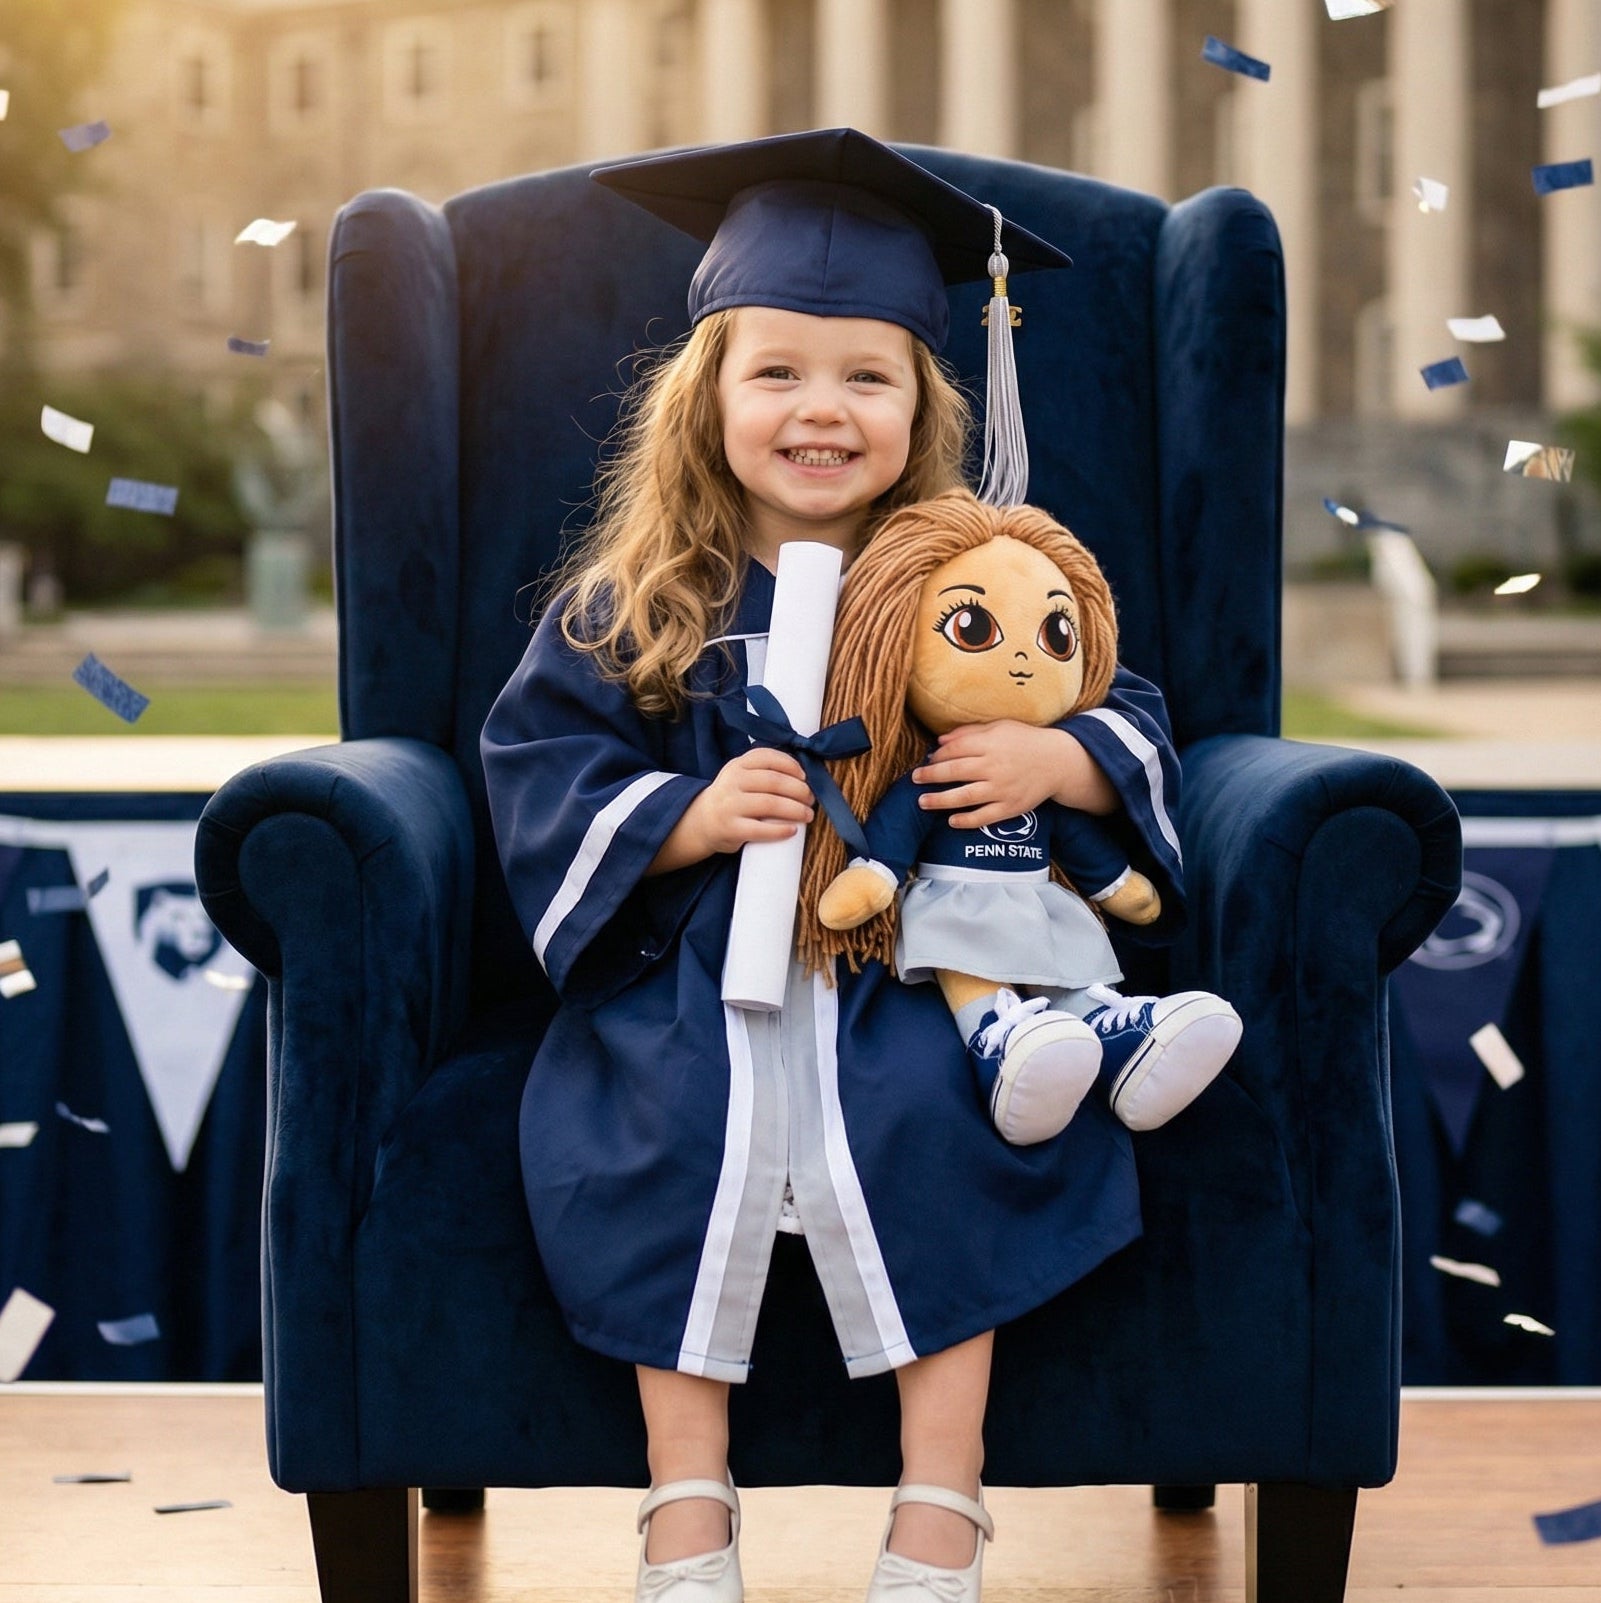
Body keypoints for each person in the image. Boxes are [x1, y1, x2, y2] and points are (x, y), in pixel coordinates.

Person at [481, 128, 1214, 1603]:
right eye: (777, 374)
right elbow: (538, 769)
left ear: (920, 405)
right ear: (706, 399)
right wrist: (686, 818)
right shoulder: (638, 599)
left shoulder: (966, 575)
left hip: (919, 962)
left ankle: (939, 1513)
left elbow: (1115, 696)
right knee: (649, 1142)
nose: (821, 411)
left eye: (865, 377)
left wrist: (1054, 762)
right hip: (692, 976)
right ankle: (684, 1515)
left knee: (957, 1125)